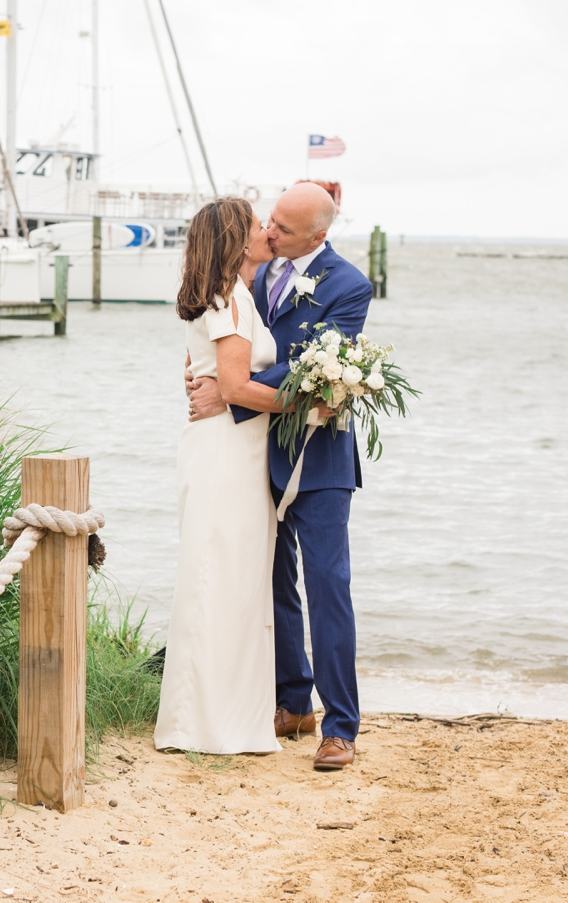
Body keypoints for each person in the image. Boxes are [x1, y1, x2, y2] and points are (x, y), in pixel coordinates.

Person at [187, 182, 374, 771]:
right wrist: (217, 383)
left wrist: (232, 395)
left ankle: (341, 726)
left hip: (318, 460)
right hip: (252, 455)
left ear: (319, 236)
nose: (269, 233)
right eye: (269, 222)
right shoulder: (258, 276)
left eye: (284, 230)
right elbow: (232, 343)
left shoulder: (350, 286)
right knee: (271, 583)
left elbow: (320, 368)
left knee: (327, 588)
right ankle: (292, 703)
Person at [154, 196, 285, 756]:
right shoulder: (229, 299)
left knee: (230, 576)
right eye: (259, 224)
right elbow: (232, 388)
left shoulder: (229, 295)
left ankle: (221, 714)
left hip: (232, 447)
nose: (268, 231)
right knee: (218, 575)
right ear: (238, 238)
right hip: (227, 450)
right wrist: (313, 403)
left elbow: (212, 376)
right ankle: (203, 722)